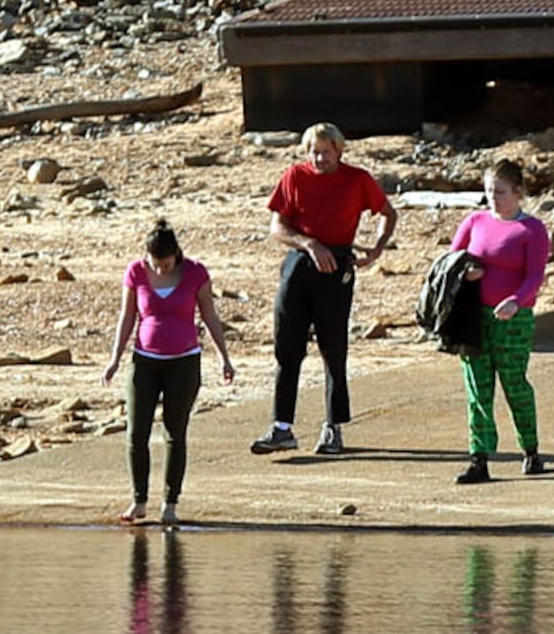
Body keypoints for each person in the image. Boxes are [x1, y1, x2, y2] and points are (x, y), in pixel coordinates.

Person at [253, 122, 395, 458]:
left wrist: (376, 249)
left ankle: (333, 426)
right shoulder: (294, 177)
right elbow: (277, 225)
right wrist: (308, 244)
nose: (319, 159)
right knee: (287, 346)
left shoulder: (357, 179)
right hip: (299, 263)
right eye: (314, 152)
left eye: (325, 152)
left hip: (337, 265)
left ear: (339, 151)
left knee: (333, 347)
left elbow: (387, 213)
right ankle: (282, 427)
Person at [100, 217, 238, 527]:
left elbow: (210, 316)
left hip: (183, 363)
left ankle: (170, 503)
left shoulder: (195, 273)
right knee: (137, 433)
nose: (159, 269)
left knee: (175, 433)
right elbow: (127, 317)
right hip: (144, 362)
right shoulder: (135, 272)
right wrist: (114, 359)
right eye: (154, 262)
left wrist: (224, 358)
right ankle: (139, 500)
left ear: (175, 254)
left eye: (164, 263)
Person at [450, 157, 553, 485]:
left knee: (514, 383)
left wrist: (515, 300)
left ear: (519, 192)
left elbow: (535, 275)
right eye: (489, 191)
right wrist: (466, 273)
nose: (494, 198)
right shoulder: (475, 221)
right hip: (474, 317)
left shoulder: (531, 229)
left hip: (513, 319)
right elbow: (451, 261)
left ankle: (531, 449)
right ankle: (479, 459)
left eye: (501, 192)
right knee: (477, 388)